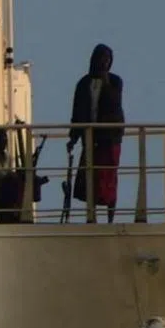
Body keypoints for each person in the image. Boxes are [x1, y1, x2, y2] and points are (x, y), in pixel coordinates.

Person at [67, 44, 125, 223]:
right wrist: (74, 137)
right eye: (102, 58)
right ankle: (91, 216)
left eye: (108, 59)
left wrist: (106, 82)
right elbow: (77, 111)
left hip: (110, 137)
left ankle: (110, 218)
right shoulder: (83, 83)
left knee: (109, 178)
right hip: (90, 137)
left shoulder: (115, 81)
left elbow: (115, 104)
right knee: (90, 178)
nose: (104, 62)